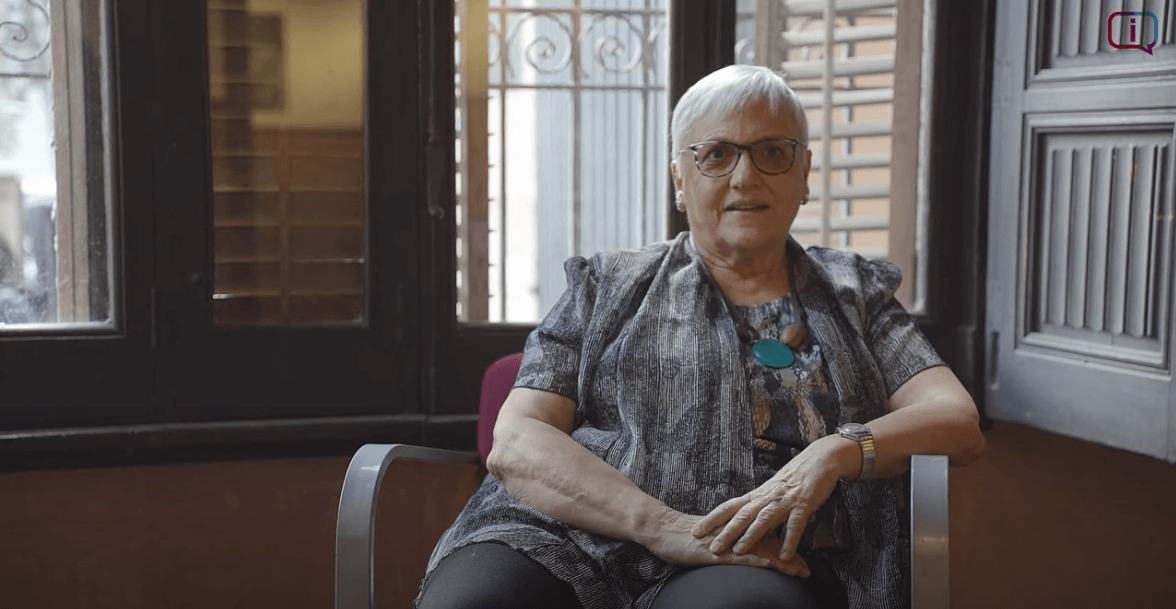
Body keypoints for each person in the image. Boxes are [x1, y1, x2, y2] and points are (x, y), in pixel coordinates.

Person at [416, 64, 986, 609]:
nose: (745, 177)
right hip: (562, 536)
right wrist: (663, 526)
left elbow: (956, 421)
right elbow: (517, 439)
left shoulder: (857, 294)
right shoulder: (604, 285)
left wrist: (837, 451)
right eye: (716, 154)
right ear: (679, 180)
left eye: (773, 152)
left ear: (804, 173)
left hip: (747, 550)